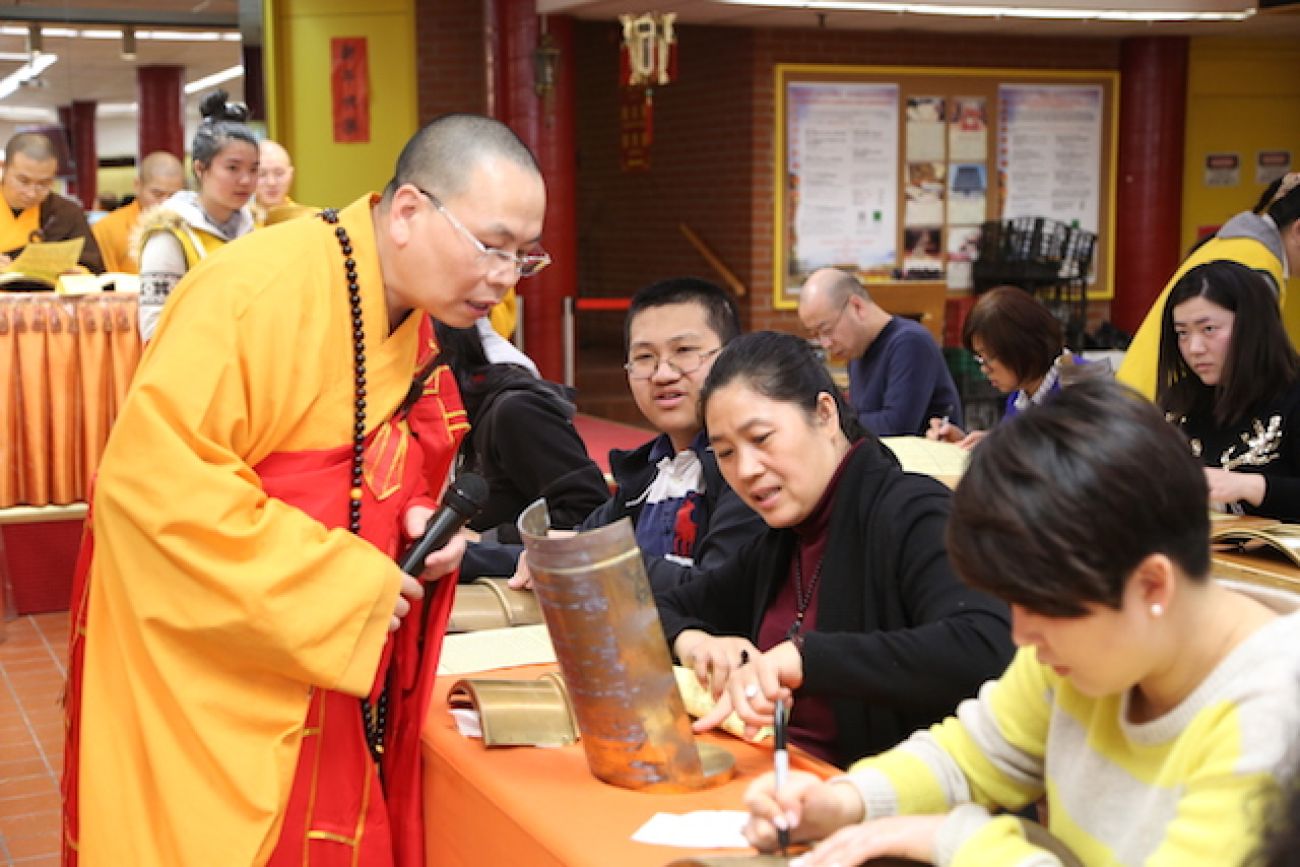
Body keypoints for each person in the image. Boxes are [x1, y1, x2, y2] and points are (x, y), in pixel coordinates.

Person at [61, 113, 548, 867]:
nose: (506, 276)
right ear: (409, 211)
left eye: (525, 256)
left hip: (330, 651)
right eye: (493, 246)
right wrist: (340, 581)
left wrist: (422, 522)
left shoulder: (407, 309)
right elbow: (151, 490)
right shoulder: (253, 293)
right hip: (221, 668)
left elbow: (386, 463)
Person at [741, 379, 1300, 867]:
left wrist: (955, 838)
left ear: (1152, 585)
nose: (1021, 635)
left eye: (1038, 606)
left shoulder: (1274, 723)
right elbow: (974, 753)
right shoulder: (1090, 645)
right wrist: (844, 801)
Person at [657, 331, 1014, 768]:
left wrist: (809, 659)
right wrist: (696, 643)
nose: (746, 469)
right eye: (726, 452)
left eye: (762, 438)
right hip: (779, 781)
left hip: (886, 795)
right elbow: (658, 609)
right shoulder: (783, 541)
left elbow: (986, 645)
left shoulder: (912, 512)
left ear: (825, 414)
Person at [506, 276, 767, 593]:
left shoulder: (750, 469)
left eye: (684, 351)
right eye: (644, 357)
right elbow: (580, 542)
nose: (663, 375)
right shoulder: (647, 473)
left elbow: (717, 591)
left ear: (730, 357)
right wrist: (466, 550)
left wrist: (595, 556)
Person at [1118, 173, 1300, 399]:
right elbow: (1249, 365)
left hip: (1142, 400)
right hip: (1164, 405)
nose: (1195, 347)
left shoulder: (1232, 244)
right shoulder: (1256, 266)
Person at [433, 319, 608, 550]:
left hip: (530, 569)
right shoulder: (461, 413)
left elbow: (591, 514)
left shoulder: (517, 410)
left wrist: (487, 540)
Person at [1157, 260, 1300, 521]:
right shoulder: (1180, 400)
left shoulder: (1292, 394)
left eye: (1208, 329)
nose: (1194, 348)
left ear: (1251, 326)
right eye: (1183, 333)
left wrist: (1252, 487)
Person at [137, 90, 259, 340]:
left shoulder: (258, 229)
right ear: (200, 168)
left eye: (254, 169)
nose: (246, 180)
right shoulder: (170, 235)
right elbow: (153, 328)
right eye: (233, 168)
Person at [798, 267, 961, 437]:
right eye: (816, 335)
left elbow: (895, 427)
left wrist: (831, 421)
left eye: (827, 330)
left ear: (857, 307)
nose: (825, 343)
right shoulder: (857, 351)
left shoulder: (910, 342)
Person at [927, 285, 1083, 450]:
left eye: (988, 357)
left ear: (1020, 347)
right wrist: (969, 443)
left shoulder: (1080, 387)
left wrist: (998, 449)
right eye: (980, 358)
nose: (984, 369)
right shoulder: (1021, 391)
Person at [0, 131, 104, 273]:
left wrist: (76, 271)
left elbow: (92, 266)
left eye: (43, 184)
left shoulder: (67, 213)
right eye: (23, 181)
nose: (31, 193)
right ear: (4, 168)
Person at [90, 151, 185, 274]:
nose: (165, 202)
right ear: (137, 186)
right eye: (157, 194)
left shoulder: (189, 225)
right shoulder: (107, 228)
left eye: (173, 195)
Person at [253, 138, 307, 226]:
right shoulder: (238, 223)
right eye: (262, 174)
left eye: (279, 173)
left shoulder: (305, 218)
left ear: (291, 174)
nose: (271, 182)